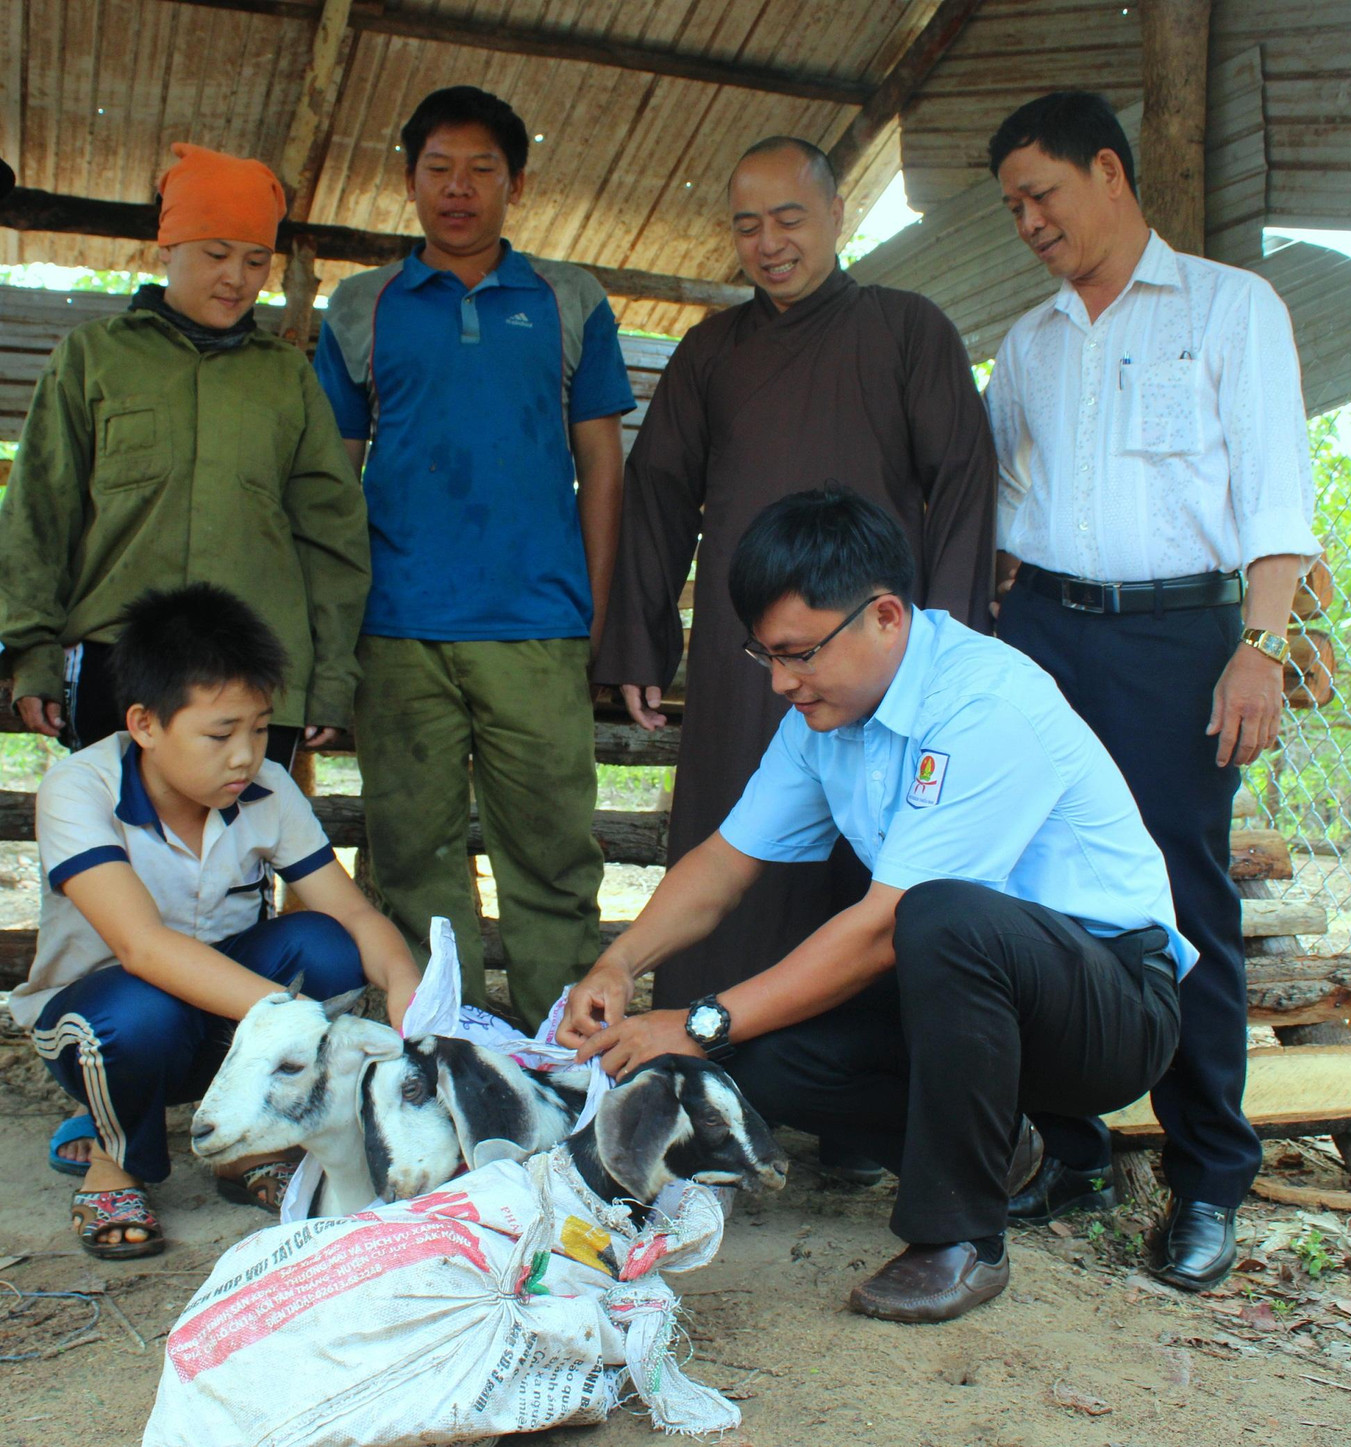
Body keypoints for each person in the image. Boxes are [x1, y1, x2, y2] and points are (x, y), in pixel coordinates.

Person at [559, 488, 1188, 1324]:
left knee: (936, 917)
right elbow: (724, 862)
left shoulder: (983, 702)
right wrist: (619, 962)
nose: (783, 681)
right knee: (765, 1060)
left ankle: (959, 1240)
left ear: (885, 615)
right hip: (976, 1007)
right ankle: (1011, 1153)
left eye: (800, 653)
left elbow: (891, 923)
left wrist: (699, 1019)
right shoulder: (828, 718)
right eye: (767, 656)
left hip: (1110, 1004)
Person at [984, 92, 1320, 1291]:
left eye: (1044, 193)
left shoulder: (1230, 308)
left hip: (1182, 633)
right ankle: (1070, 1147)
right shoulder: (1025, 344)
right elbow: (998, 500)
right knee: (1040, 888)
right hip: (1041, 634)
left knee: (1184, 900)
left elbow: (1279, 492)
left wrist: (1259, 647)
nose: (1028, 220)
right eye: (1012, 204)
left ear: (1111, 174)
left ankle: (1206, 1181)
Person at [594, 137, 998, 1055]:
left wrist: (947, 650)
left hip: (880, 658)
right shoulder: (711, 352)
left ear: (837, 218)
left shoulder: (908, 330)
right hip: (756, 660)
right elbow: (657, 488)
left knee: (880, 859)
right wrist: (639, 646)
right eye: (748, 225)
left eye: (789, 219)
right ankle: (702, 1065)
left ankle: (859, 1093)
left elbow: (966, 480)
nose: (769, 242)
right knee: (738, 837)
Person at [313, 86, 634, 1035]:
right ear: (408, 180)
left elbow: (601, 465)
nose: (459, 189)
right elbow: (335, 478)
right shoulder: (363, 306)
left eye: (482, 169)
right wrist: (335, 631)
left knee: (553, 859)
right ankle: (445, 1057)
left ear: (516, 183)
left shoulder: (569, 300)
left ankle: (565, 1062)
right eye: (439, 169)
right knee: (412, 859)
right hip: (397, 629)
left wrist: (596, 610)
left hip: (538, 626)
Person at [9, 584, 421, 1260]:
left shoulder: (267, 789)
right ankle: (119, 1159)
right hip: (103, 1025)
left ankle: (247, 1145)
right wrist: (292, 1016)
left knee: (328, 945)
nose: (245, 754)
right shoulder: (80, 789)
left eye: (259, 728)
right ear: (144, 724)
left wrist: (404, 980)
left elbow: (349, 909)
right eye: (221, 733)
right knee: (137, 1011)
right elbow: (141, 947)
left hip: (225, 1020)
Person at [0, 141, 370, 766]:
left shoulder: (285, 377)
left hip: (257, 671)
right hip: (118, 665)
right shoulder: (93, 358)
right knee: (118, 856)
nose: (237, 277)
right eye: (217, 254)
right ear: (167, 248)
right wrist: (33, 648)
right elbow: (40, 510)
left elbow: (331, 536)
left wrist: (331, 676)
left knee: (238, 859)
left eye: (256, 261)